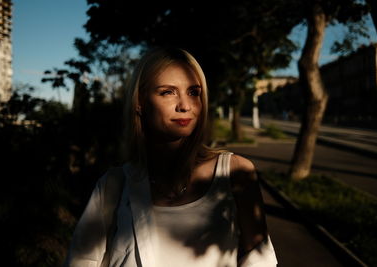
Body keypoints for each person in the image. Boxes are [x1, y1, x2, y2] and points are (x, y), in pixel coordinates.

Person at [64, 47, 277, 267]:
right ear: (140, 103)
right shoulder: (115, 185)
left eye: (194, 92)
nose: (185, 106)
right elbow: (81, 260)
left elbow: (260, 257)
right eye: (168, 92)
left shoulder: (234, 172)